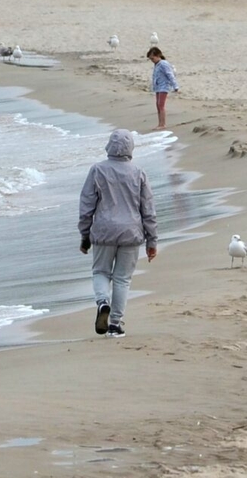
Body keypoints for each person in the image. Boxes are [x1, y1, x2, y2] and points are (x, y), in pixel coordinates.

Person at [78, 129, 157, 338]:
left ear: (109, 147)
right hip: (131, 232)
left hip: (104, 231)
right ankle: (115, 324)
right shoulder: (139, 173)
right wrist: (152, 240)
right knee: (122, 279)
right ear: (131, 148)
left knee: (101, 272)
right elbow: (148, 209)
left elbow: (87, 205)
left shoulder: (97, 170)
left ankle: (103, 302)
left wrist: (85, 235)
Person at [147, 46, 178, 129]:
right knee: (158, 105)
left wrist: (175, 86)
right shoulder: (157, 64)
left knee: (161, 105)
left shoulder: (164, 64)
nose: (152, 61)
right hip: (158, 87)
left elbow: (170, 75)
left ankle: (163, 124)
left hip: (164, 86)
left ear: (158, 56)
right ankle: (160, 123)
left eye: (153, 58)